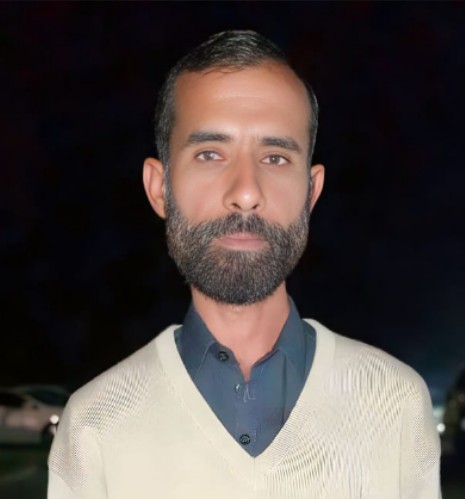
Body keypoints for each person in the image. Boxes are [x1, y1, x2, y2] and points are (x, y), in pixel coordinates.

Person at [48, 30, 441, 499]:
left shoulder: (395, 403)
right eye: (210, 154)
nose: (247, 192)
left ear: (311, 192)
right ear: (159, 188)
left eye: (275, 157)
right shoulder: (94, 425)